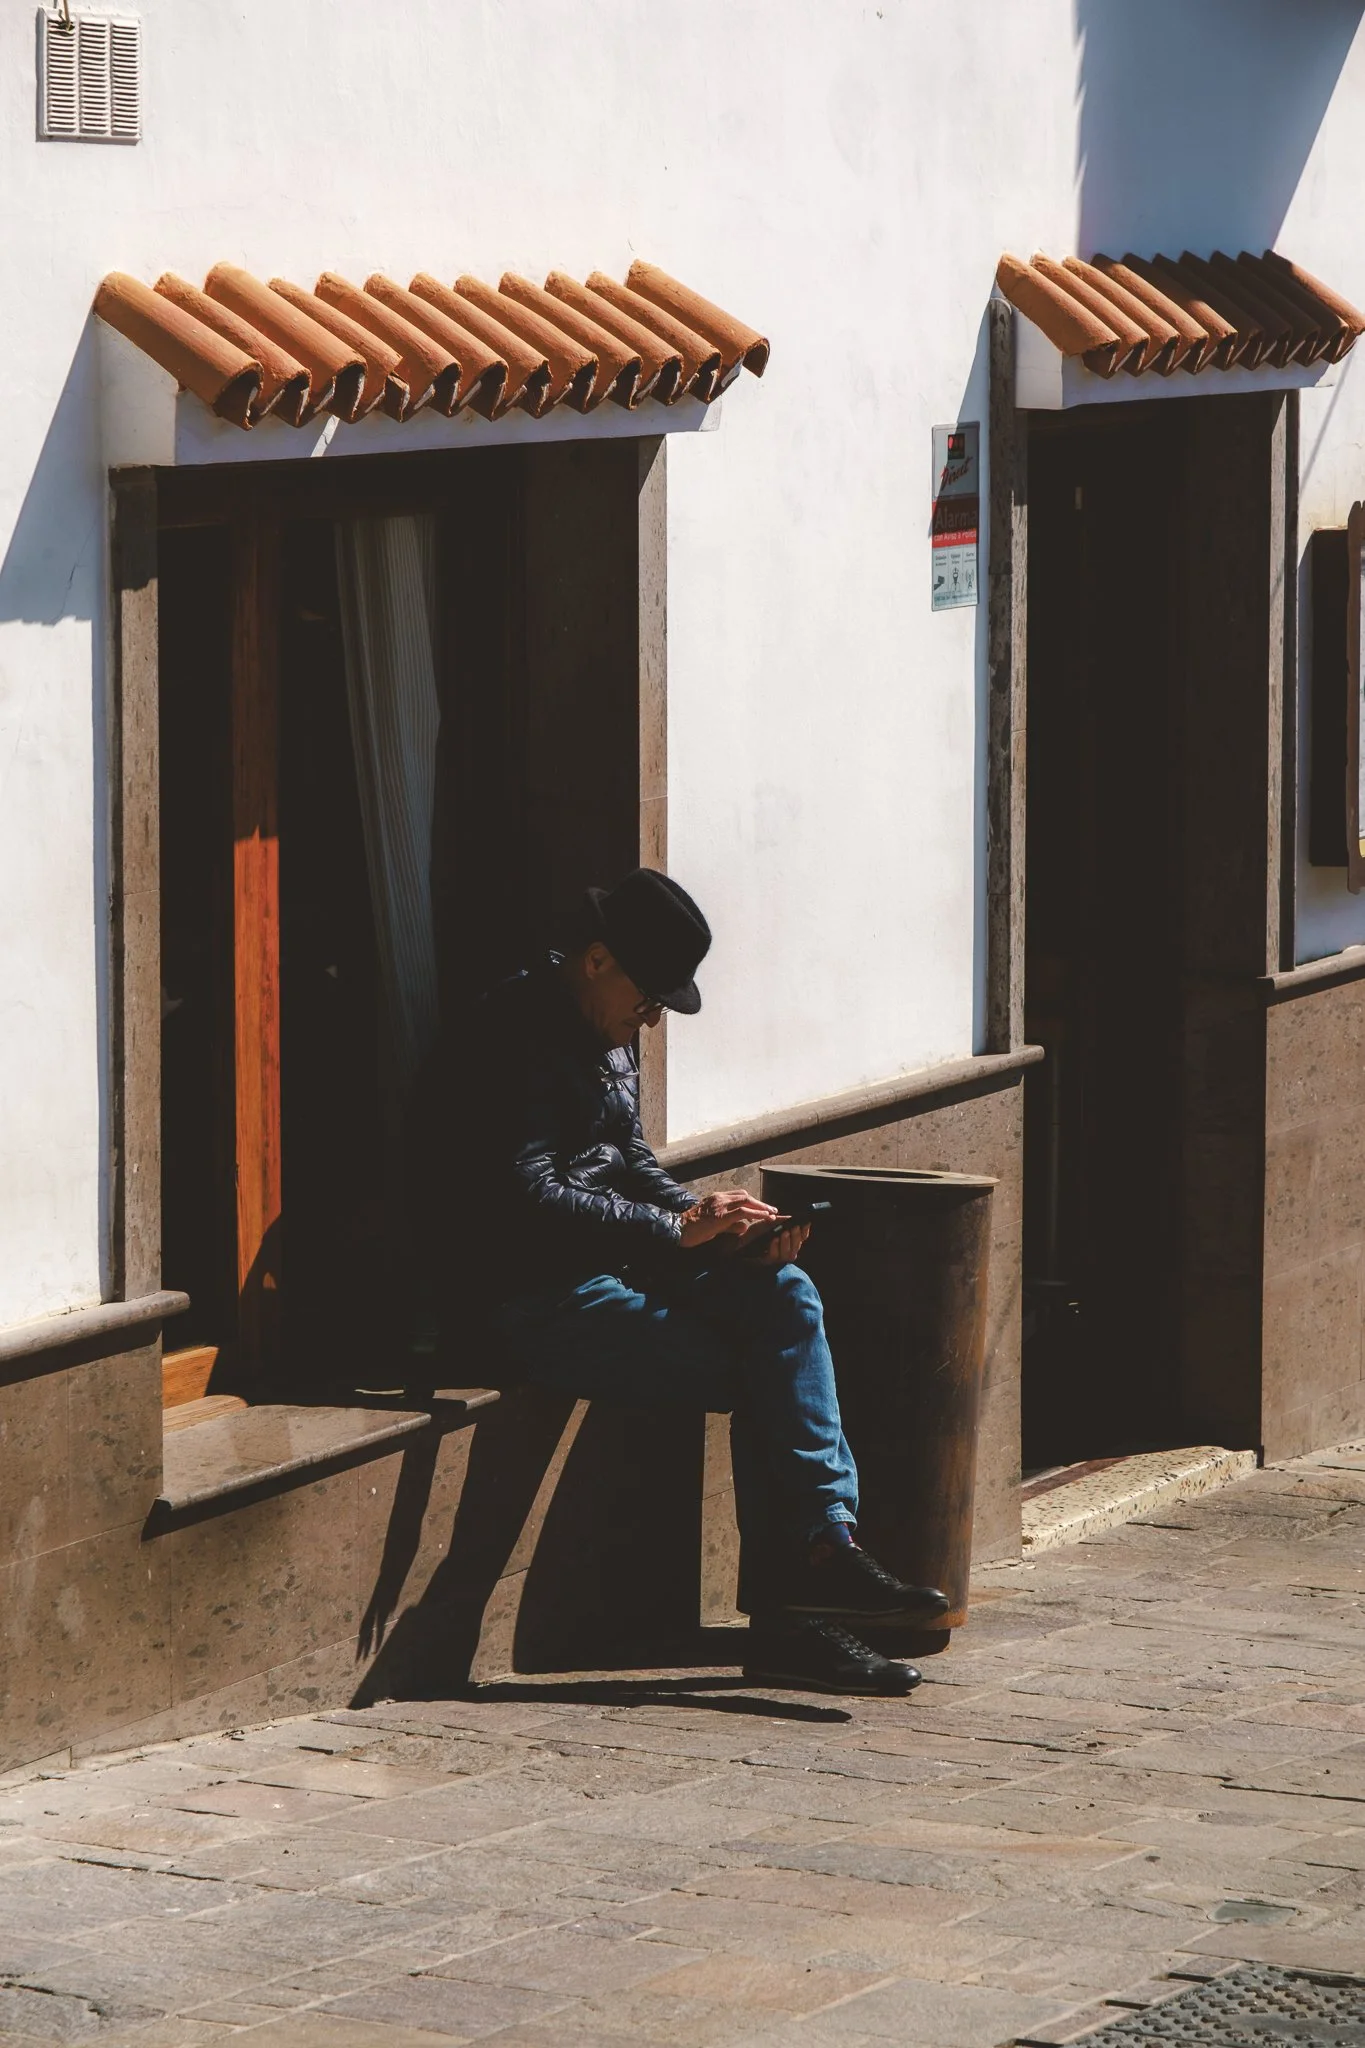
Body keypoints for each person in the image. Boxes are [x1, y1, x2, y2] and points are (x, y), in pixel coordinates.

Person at [461, 868, 948, 1695]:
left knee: (784, 1294)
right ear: (596, 960)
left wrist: (710, 1220)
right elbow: (525, 1193)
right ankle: (802, 1607)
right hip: (535, 1296)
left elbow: (630, 1159)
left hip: (621, 1268)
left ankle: (826, 1544)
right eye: (648, 998)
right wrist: (673, 1230)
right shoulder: (508, 1035)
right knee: (773, 1374)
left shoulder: (605, 1028)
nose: (650, 1019)